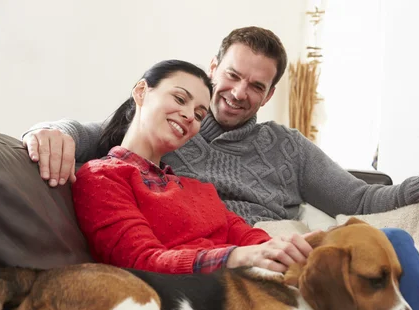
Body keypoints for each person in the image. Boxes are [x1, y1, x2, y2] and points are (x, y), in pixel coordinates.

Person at [23, 27, 419, 310]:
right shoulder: (164, 134)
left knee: (413, 274)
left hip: (269, 247)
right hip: (233, 270)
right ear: (213, 69)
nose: (238, 93)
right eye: (232, 76)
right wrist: (48, 130)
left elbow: (358, 197)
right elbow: (98, 133)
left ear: (270, 93)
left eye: (256, 86)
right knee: (403, 264)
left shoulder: (281, 149)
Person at [72, 59, 313, 275]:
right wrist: (238, 256)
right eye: (179, 99)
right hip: (189, 303)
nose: (189, 116)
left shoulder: (195, 188)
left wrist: (284, 252)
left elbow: (248, 236)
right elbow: (141, 261)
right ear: (142, 91)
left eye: (199, 115)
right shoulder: (103, 177)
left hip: (247, 288)